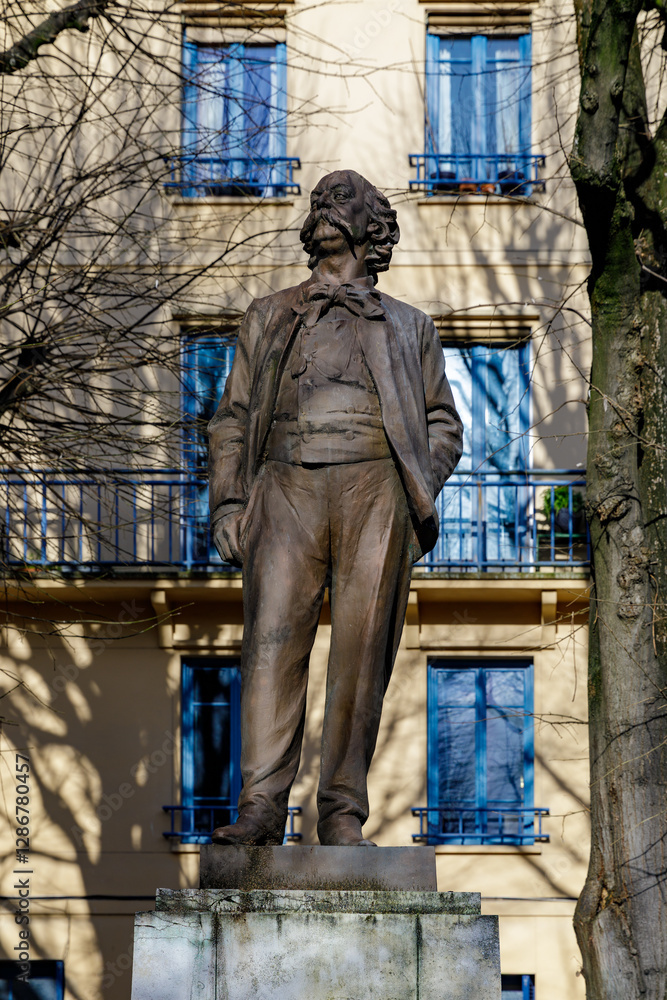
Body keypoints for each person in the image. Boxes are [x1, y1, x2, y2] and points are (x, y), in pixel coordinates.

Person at [207, 169, 463, 846]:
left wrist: (417, 493)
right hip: (284, 488)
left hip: (375, 492)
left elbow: (443, 424)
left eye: (339, 202)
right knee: (269, 649)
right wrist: (229, 503)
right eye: (319, 201)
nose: (323, 208)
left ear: (370, 228)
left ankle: (343, 812)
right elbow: (230, 420)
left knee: (361, 655)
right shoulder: (267, 315)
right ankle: (260, 808)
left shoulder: (410, 327)